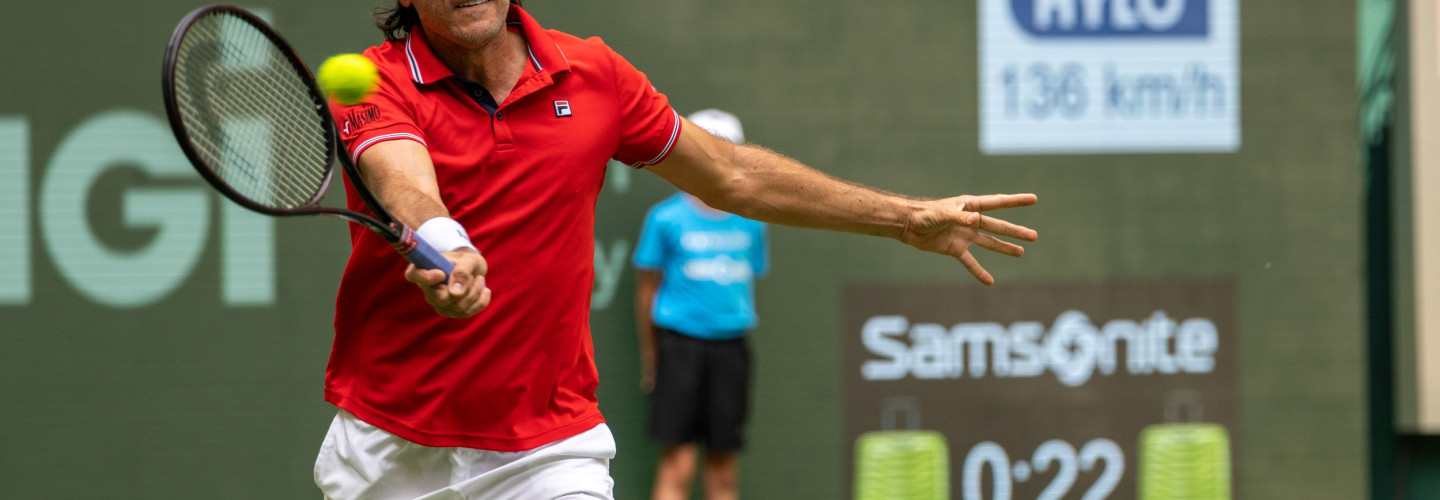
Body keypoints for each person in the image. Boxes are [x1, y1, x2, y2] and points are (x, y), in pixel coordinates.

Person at [313, 0, 1038, 498]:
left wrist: (904, 219)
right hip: (389, 445)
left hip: (547, 446)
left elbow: (732, 175)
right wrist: (445, 245)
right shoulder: (372, 81)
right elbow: (404, 184)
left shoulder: (594, 75)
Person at [633, 109, 765, 500]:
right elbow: (646, 291)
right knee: (678, 466)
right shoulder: (665, 219)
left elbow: (748, 280)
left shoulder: (753, 221)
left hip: (731, 350)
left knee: (723, 470)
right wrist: (652, 357)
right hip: (680, 349)